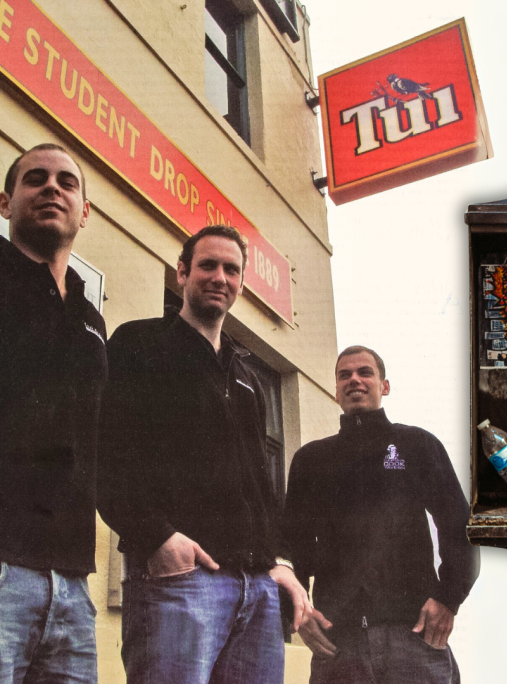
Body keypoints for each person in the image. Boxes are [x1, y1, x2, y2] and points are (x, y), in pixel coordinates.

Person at [98, 225, 312, 684]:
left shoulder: (247, 376)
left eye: (231, 269)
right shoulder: (139, 344)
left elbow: (262, 483)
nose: (220, 277)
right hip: (179, 581)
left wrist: (280, 561)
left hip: (256, 590)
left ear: (240, 283)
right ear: (181, 273)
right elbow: (105, 451)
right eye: (207, 265)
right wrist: (157, 536)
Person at [283, 346, 479, 683]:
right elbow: (291, 544)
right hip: (338, 643)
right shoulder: (311, 460)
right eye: (344, 375)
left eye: (365, 372)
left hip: (413, 636)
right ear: (335, 389)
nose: (354, 380)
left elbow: (459, 524)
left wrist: (449, 598)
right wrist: (296, 612)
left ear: (384, 385)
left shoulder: (416, 445)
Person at [0, 143, 105, 684]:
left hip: (71, 584)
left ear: (84, 210)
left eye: (67, 183)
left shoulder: (90, 318)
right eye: (35, 178)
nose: (51, 188)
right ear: (5, 202)